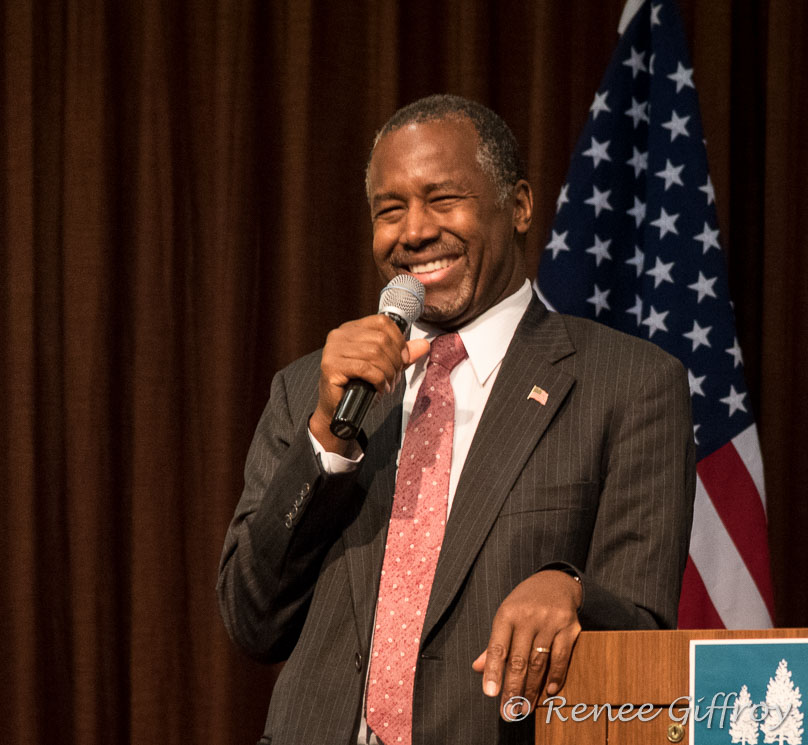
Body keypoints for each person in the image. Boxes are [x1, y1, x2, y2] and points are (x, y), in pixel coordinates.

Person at [217, 94, 695, 745]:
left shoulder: (631, 384)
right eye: (390, 210)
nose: (413, 231)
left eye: (443, 200)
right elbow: (253, 620)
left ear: (520, 205)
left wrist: (571, 588)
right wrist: (326, 441)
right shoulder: (311, 389)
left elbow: (642, 633)